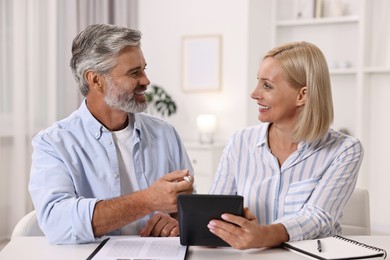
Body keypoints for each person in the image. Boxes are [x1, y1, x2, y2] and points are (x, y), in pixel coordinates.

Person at [28, 24, 194, 244]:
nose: (146, 81)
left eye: (144, 69)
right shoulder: (53, 143)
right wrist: (147, 200)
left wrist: (177, 221)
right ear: (96, 80)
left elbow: (187, 202)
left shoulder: (165, 134)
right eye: (134, 73)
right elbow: (57, 222)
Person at [207, 41, 364, 249]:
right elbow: (213, 215)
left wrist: (264, 235)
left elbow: (318, 217)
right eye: (258, 82)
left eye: (267, 85)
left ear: (302, 95)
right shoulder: (240, 141)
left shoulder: (344, 150)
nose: (254, 94)